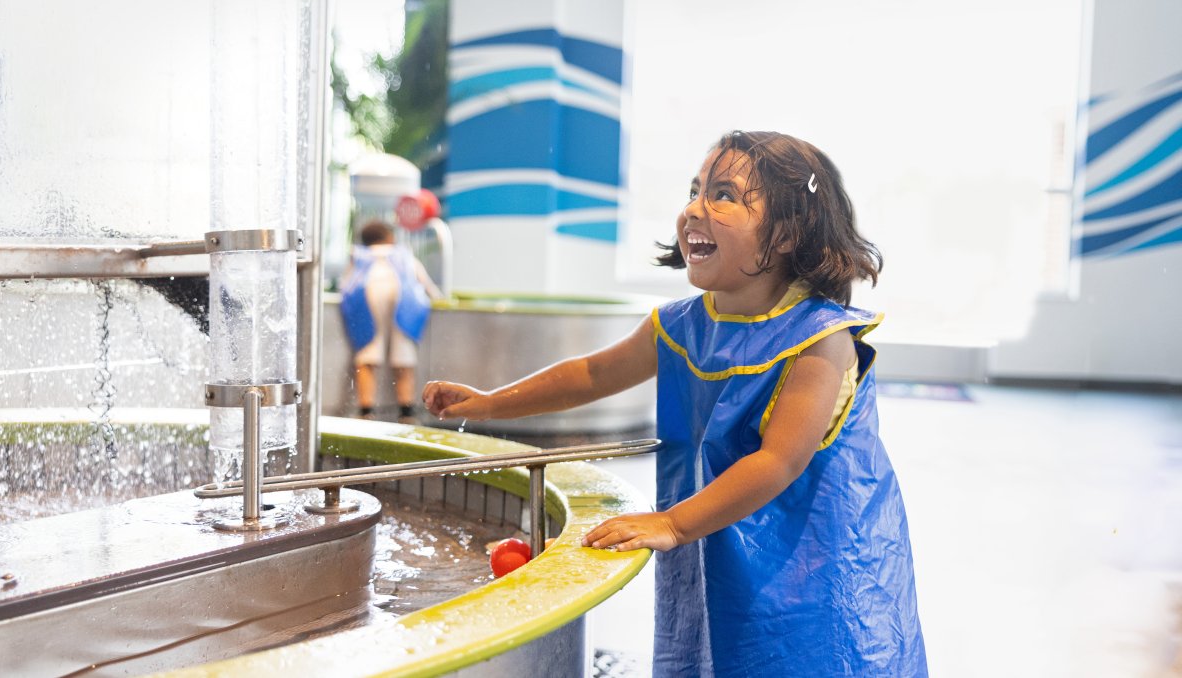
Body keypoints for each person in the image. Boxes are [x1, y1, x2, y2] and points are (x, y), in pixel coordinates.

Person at [423, 130, 927, 676]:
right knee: (717, 644)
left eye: (724, 195)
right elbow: (593, 372)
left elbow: (779, 461)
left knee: (802, 655)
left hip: (813, 557)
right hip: (720, 531)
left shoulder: (819, 338)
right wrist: (491, 403)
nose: (693, 210)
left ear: (785, 234)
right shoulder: (684, 324)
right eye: (694, 190)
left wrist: (674, 523)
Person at [340, 218, 442, 423]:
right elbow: (427, 286)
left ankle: (366, 411)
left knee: (368, 352)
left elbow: (345, 285)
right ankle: (406, 412)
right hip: (403, 296)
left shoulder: (358, 256)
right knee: (402, 353)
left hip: (367, 295)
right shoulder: (402, 255)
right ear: (390, 237)